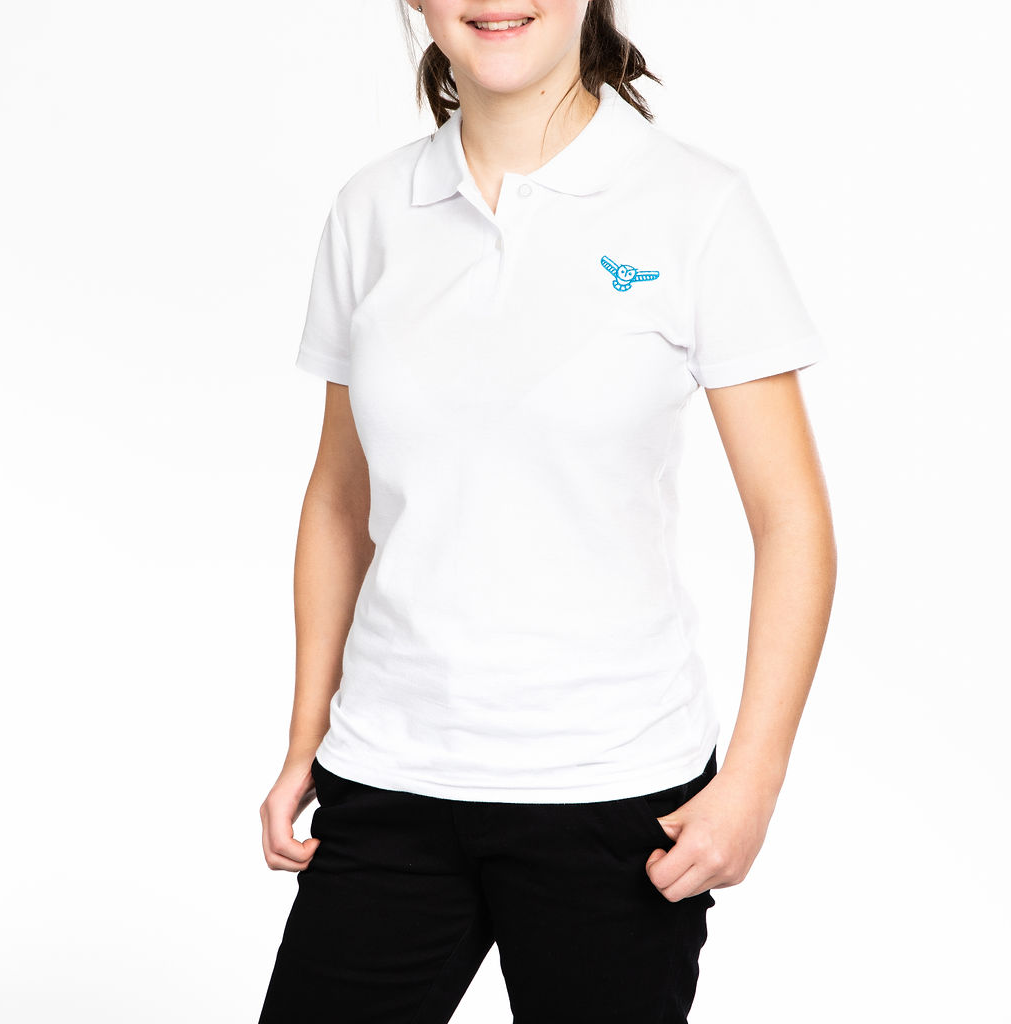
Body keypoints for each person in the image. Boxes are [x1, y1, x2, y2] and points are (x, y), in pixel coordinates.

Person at [257, 2, 837, 1022]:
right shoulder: (371, 210)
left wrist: (753, 780)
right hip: (388, 778)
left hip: (614, 793)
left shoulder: (694, 205)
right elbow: (339, 498)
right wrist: (305, 738)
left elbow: (791, 518)